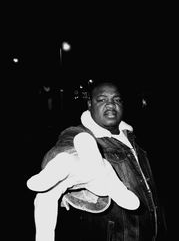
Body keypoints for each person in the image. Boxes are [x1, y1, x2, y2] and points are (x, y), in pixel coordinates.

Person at [26, 79, 167, 241]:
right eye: (101, 100)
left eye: (117, 99)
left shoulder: (132, 136)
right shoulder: (78, 134)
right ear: (89, 104)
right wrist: (69, 162)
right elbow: (63, 151)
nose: (111, 104)